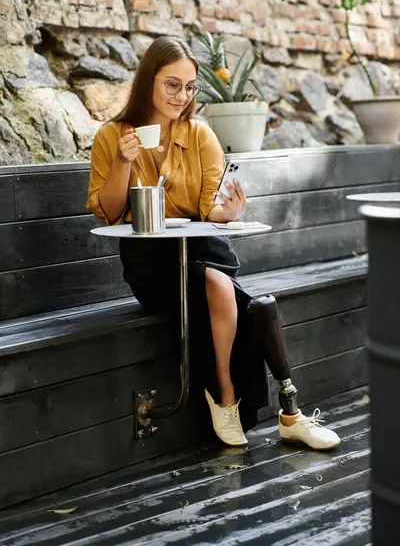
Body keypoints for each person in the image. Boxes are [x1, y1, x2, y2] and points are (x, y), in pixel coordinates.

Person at [87, 36, 340, 450]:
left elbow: (208, 208)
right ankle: (239, 400)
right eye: (172, 85)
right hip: (152, 262)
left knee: (253, 307)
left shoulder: (200, 134)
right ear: (148, 80)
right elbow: (110, 213)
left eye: (189, 87)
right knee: (233, 296)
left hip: (202, 249)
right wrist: (123, 162)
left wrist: (229, 212)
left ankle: (288, 412)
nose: (181, 96)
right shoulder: (114, 135)